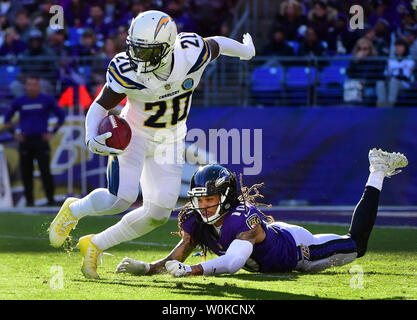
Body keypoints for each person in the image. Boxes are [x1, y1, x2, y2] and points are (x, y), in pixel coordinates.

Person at [48, 10, 256, 279]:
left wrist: (245, 51)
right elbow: (100, 105)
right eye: (136, 48)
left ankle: (95, 245)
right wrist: (90, 137)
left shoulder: (190, 53)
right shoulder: (126, 69)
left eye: (147, 51)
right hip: (133, 135)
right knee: (120, 198)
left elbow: (216, 43)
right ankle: (73, 210)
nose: (138, 57)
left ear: (168, 48)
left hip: (170, 139)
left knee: (158, 213)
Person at [115, 148, 408, 277]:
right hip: (273, 238)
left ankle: (377, 170)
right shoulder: (196, 219)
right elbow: (176, 258)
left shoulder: (242, 218)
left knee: (357, 245)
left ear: (226, 196)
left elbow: (231, 263)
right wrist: (147, 268)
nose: (202, 206)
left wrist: (192, 271)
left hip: (298, 251)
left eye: (210, 198)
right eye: (199, 199)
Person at [4, 75, 66, 206]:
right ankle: (29, 202)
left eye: (35, 84)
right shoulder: (19, 101)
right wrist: (14, 134)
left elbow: (61, 116)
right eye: (29, 84)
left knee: (45, 171)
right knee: (26, 172)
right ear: (25, 86)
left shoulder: (46, 100)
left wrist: (52, 132)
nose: (32, 87)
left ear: (39, 86)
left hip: (41, 141)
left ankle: (50, 200)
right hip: (25, 141)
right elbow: (7, 119)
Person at [376, 38, 415, 107]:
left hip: (404, 84)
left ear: (405, 48)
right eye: (396, 46)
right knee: (380, 82)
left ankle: (390, 105)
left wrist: (395, 76)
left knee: (394, 81)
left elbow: (407, 75)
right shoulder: (391, 60)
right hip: (391, 81)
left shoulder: (410, 60)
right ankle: (381, 105)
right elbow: (386, 74)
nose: (398, 48)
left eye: (400, 46)